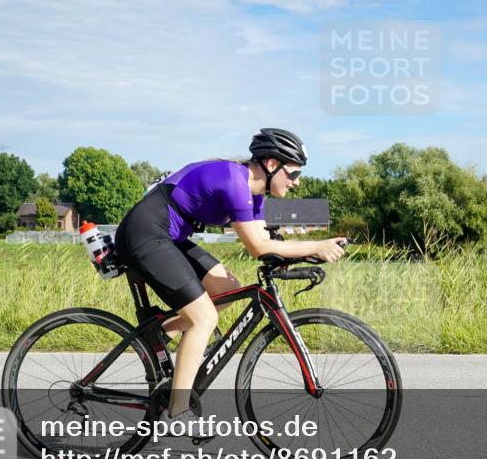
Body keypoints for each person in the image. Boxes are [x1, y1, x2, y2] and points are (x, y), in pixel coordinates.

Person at [113, 128, 346, 429]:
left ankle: (161, 335)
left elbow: (266, 242)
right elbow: (257, 246)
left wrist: (301, 256)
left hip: (168, 236)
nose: (296, 182)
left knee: (227, 288)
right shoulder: (233, 181)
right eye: (293, 173)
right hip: (145, 233)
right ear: (272, 165)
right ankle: (179, 410)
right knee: (203, 318)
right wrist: (315, 245)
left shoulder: (254, 194)